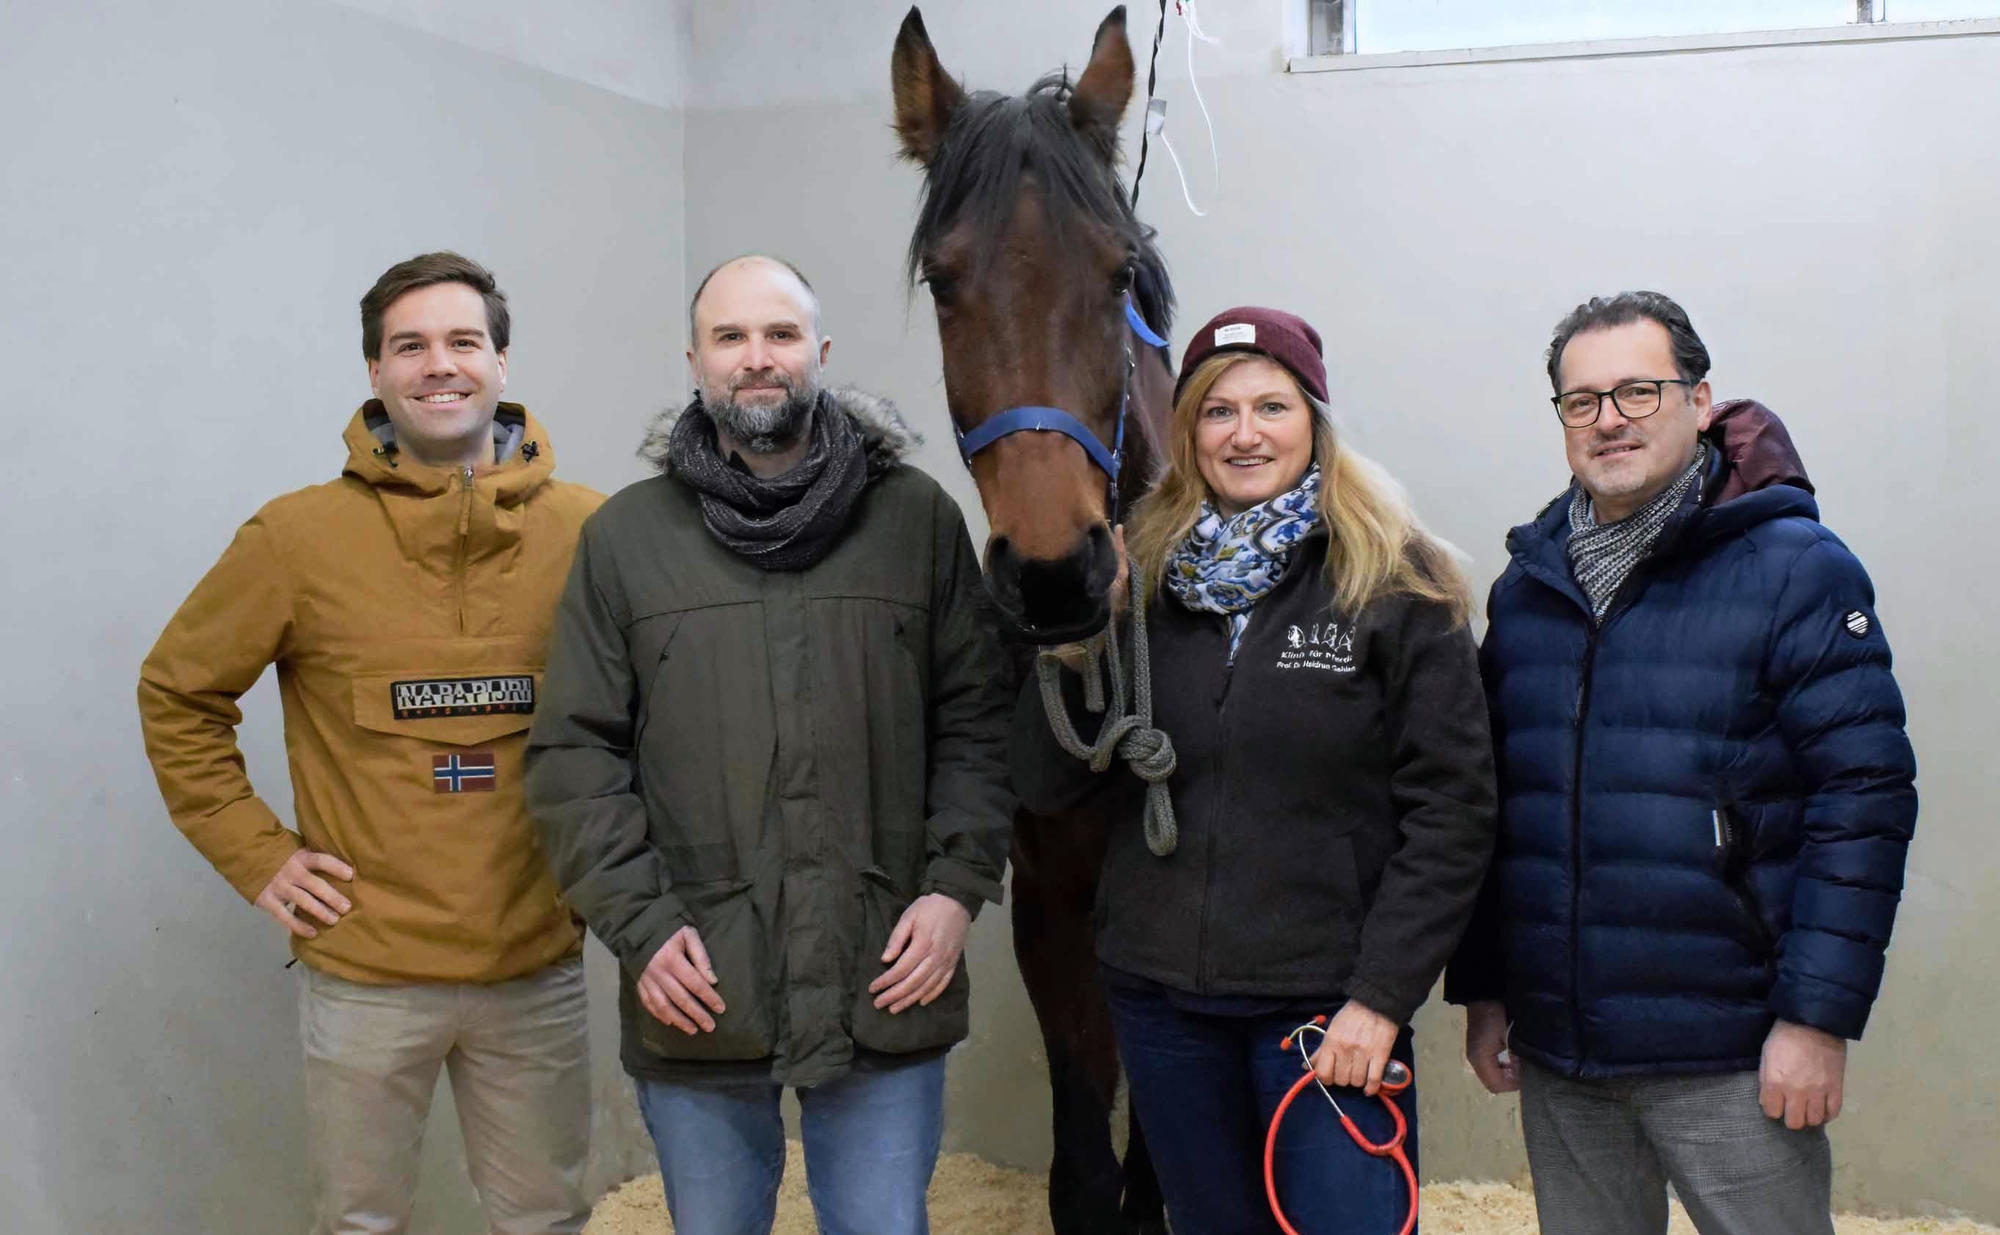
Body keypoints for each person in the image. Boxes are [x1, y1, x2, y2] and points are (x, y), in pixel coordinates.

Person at [523, 255, 1015, 1235]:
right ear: (695, 359)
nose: (758, 358)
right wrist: (639, 924)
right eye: (732, 337)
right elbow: (574, 756)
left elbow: (979, 720)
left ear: (819, 353)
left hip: (884, 965)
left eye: (781, 335)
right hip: (699, 977)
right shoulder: (626, 538)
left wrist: (954, 889)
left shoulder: (913, 518)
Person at [137, 252, 601, 1234]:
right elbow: (179, 691)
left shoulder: (591, 532)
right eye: (410, 345)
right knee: (359, 1223)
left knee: (547, 1217)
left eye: (463, 341)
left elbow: (659, 712)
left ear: (501, 361)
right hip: (366, 977)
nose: (440, 364)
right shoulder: (295, 538)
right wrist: (258, 855)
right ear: (375, 373)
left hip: (536, 967)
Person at [1013, 306, 1497, 1234]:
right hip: (1163, 1008)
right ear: (1187, 432)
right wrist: (1080, 641)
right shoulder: (1136, 580)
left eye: (1271, 406)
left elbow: (1454, 813)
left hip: (1327, 1015)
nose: (1245, 434)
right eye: (1217, 410)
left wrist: (1380, 999)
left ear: (1315, 420)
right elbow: (1047, 786)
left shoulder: (1396, 581)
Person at [1445, 291, 1918, 1235]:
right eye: (1582, 401)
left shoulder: (1798, 568)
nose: (1609, 418)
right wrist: (1488, 989)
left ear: (1701, 402)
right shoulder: (1528, 590)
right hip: (1565, 1053)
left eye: (1638, 391)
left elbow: (1863, 800)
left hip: (1734, 1054)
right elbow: (1498, 805)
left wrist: (1816, 1019)